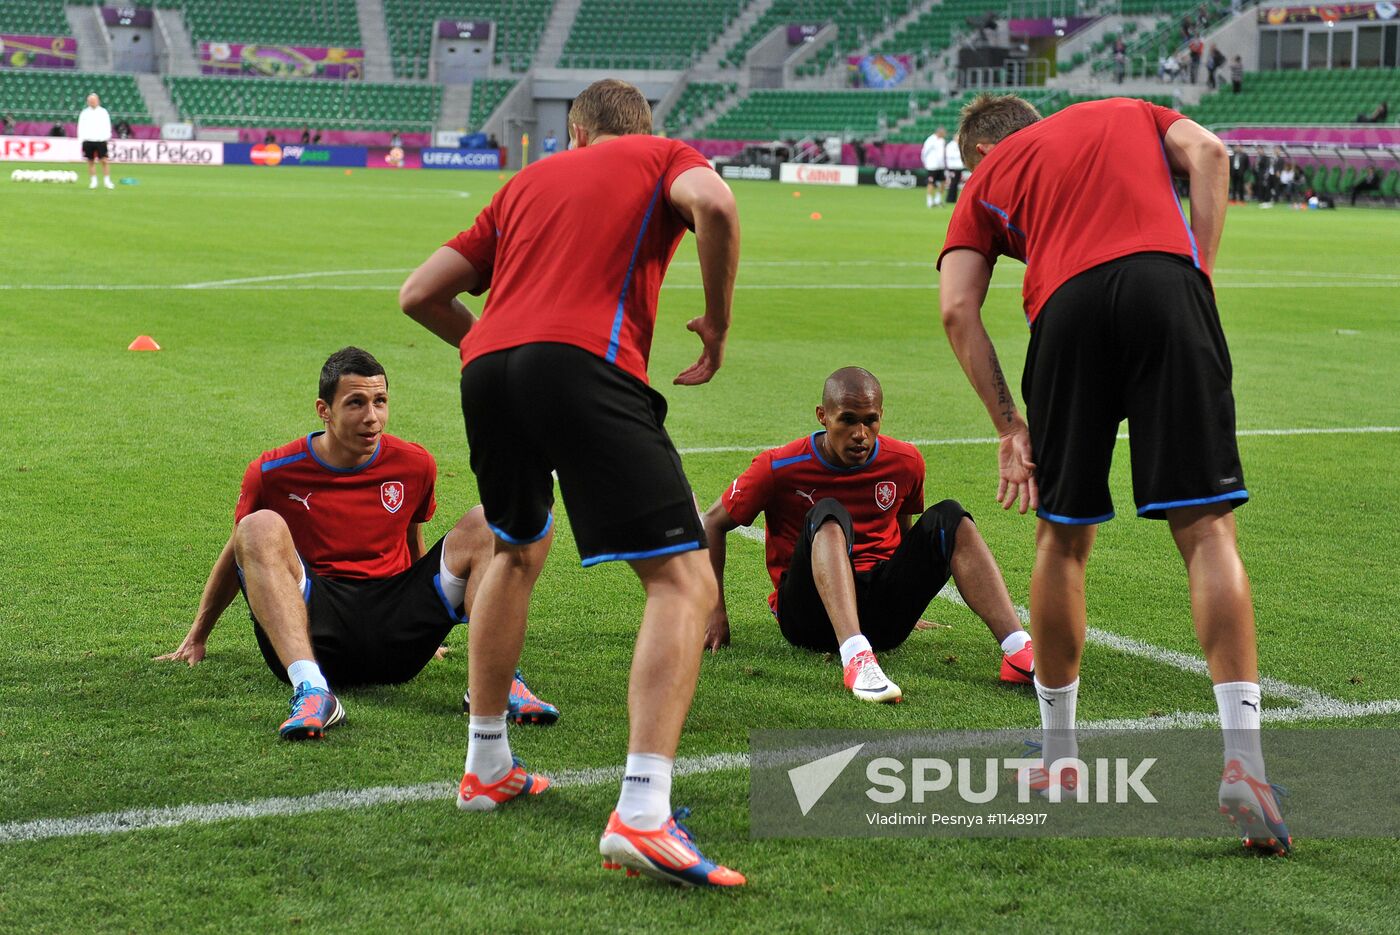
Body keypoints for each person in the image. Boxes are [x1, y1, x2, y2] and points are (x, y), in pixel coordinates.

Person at [398, 78, 744, 887]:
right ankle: (645, 811)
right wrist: (718, 321)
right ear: (636, 131)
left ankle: (487, 764)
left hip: (486, 369)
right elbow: (718, 207)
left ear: (575, 131)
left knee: (515, 549)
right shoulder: (663, 156)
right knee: (684, 580)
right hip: (584, 361)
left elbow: (419, 293)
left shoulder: (525, 182)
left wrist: (499, 342)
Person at [936, 93, 1290, 855]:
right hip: (1167, 287)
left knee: (1061, 538)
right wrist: (1199, 275)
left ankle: (1060, 758)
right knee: (1206, 528)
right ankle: (1245, 763)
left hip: (1064, 314)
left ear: (980, 151)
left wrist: (1008, 426)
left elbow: (958, 309)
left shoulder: (987, 177)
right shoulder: (1126, 110)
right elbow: (1213, 156)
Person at [157, 347, 560, 738]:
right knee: (257, 526)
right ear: (324, 410)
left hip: (396, 633)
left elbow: (412, 543)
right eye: (356, 403)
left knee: (488, 521)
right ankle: (313, 691)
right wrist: (198, 634)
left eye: (380, 401)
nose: (372, 417)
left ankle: (495, 684)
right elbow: (239, 552)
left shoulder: (414, 463)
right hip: (317, 627)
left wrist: (428, 628)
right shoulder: (273, 472)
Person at [701, 367, 1034, 704]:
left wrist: (907, 604)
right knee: (828, 511)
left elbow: (904, 540)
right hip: (809, 618)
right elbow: (712, 523)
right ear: (823, 417)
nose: (860, 433)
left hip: (881, 619)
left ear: (881, 417)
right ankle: (857, 658)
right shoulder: (778, 466)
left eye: (870, 420)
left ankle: (1018, 650)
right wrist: (714, 612)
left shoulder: (905, 462)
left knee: (951, 516)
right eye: (847, 420)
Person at [77, 93, 114, 190]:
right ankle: (93, 181)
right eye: (90, 101)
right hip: (88, 140)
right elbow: (80, 126)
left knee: (104, 161)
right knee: (90, 161)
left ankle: (107, 181)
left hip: (100, 139)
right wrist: (81, 139)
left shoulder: (103, 112)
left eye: (94, 100)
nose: (92, 102)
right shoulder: (84, 113)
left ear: (98, 101)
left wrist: (107, 136)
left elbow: (107, 125)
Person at [921, 126, 948, 207]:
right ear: (939, 132)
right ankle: (929, 200)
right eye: (944, 132)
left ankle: (938, 199)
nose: (945, 134)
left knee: (943, 183)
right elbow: (924, 152)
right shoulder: (930, 140)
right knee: (931, 183)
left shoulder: (942, 141)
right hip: (932, 166)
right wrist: (926, 163)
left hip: (940, 166)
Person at [945, 132, 966, 203]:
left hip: (958, 167)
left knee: (956, 183)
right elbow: (950, 155)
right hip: (953, 167)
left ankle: (953, 199)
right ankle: (949, 199)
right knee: (953, 183)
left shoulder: (959, 145)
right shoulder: (950, 146)